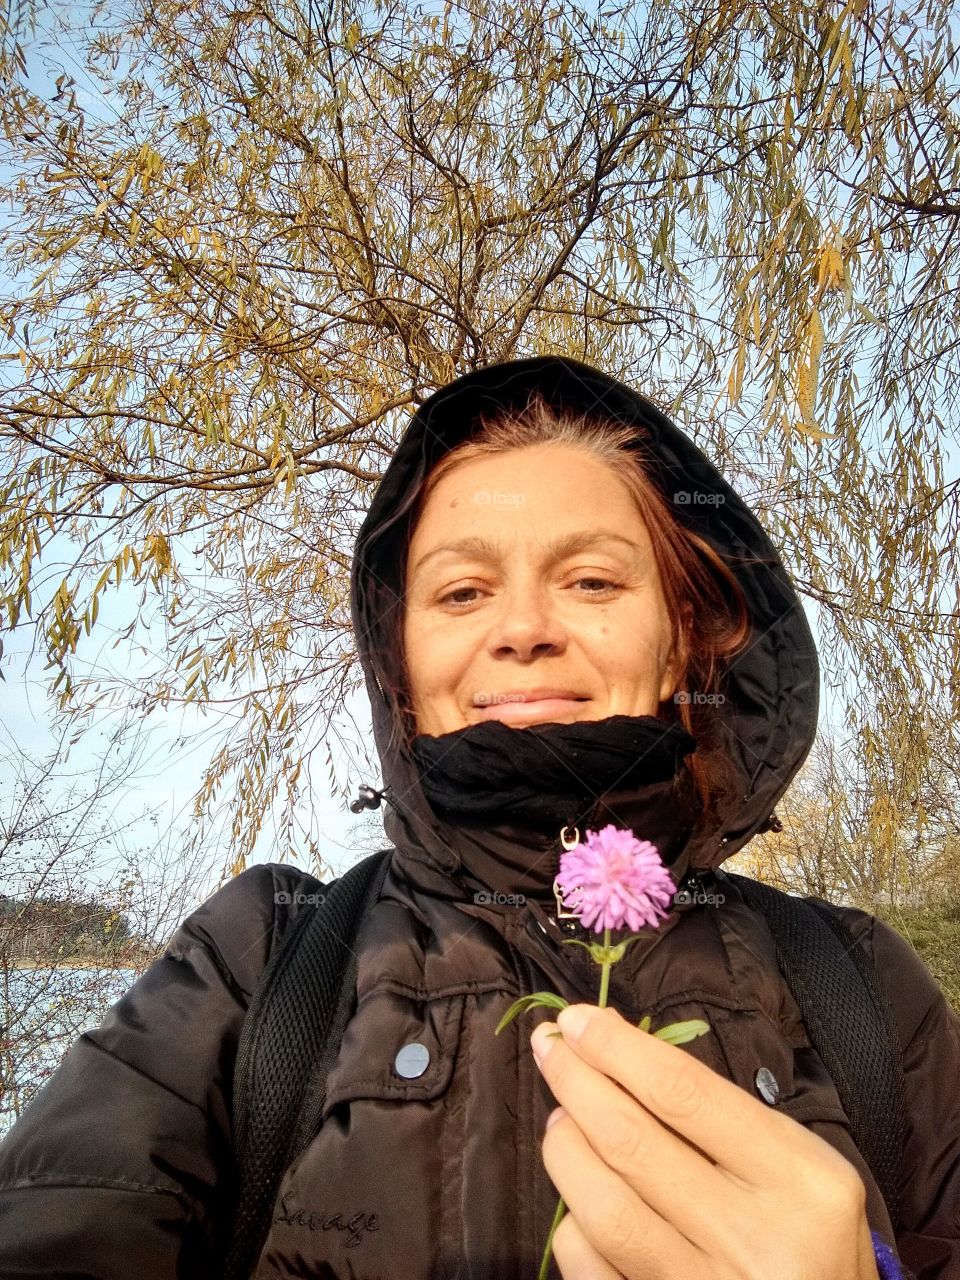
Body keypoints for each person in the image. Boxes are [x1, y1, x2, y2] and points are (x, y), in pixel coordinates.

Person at [0, 354, 957, 1279]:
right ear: (403, 670)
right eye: (462, 591)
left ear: (677, 650)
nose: (525, 627)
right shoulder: (259, 960)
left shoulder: (857, 983)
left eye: (592, 581)